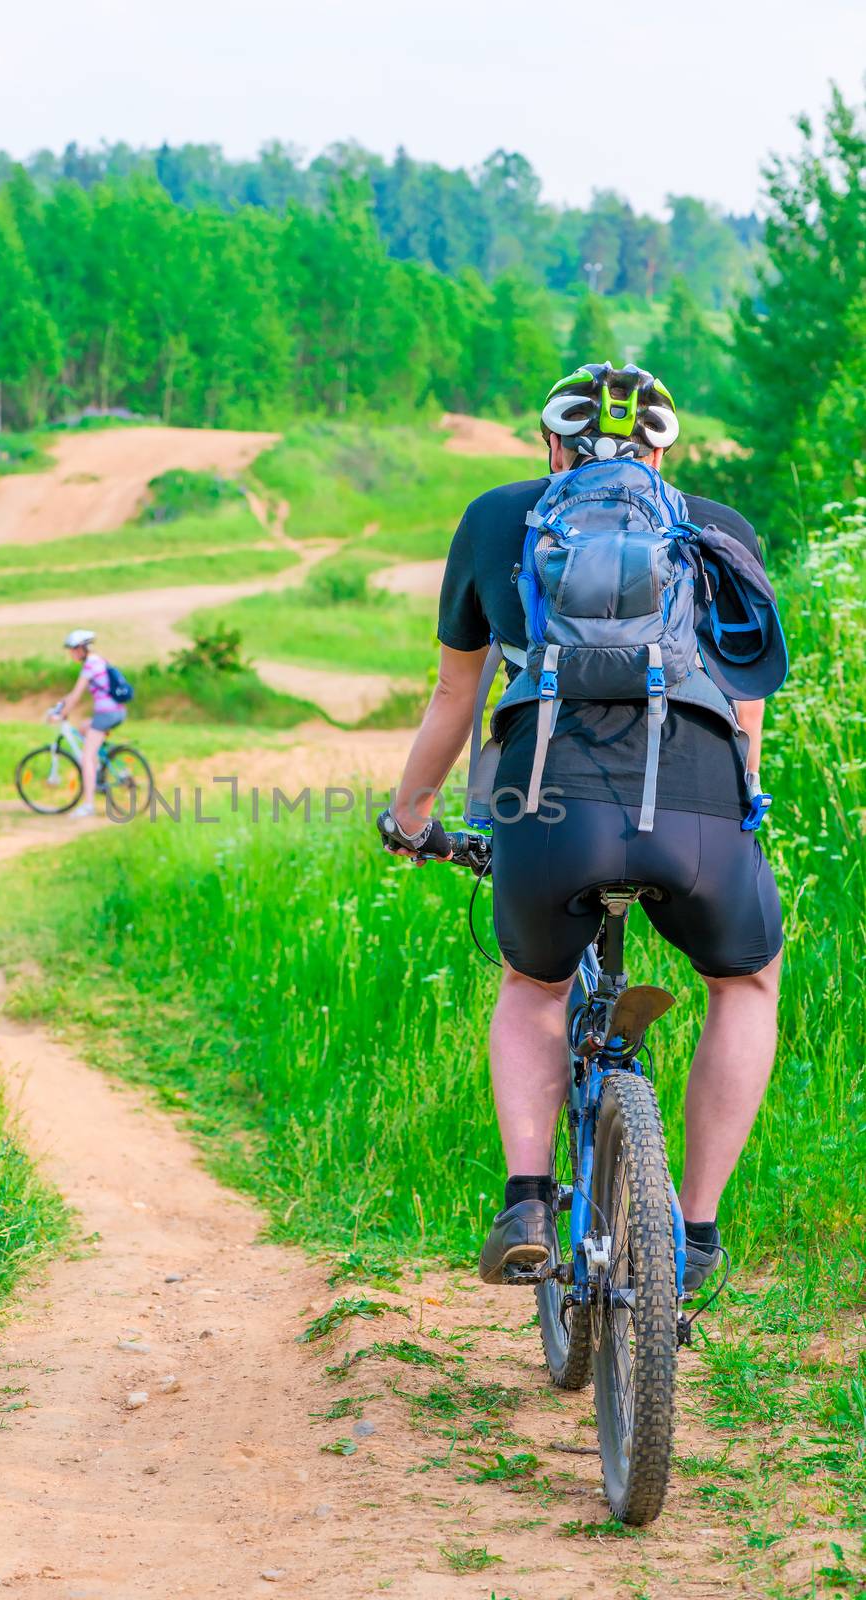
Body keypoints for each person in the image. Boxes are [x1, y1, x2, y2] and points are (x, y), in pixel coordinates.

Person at [379, 363, 783, 1294]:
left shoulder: (498, 518)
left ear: (553, 447)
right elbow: (747, 701)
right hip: (694, 806)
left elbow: (454, 694)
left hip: (545, 803)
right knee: (746, 982)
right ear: (659, 450)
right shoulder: (718, 529)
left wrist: (413, 818)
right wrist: (741, 801)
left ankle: (525, 1201)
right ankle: (698, 1230)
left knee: (533, 983)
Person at [52, 628, 127, 818]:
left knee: (86, 757)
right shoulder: (99, 660)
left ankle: (88, 805)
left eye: (73, 649)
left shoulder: (89, 666)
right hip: (117, 711)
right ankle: (106, 762)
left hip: (106, 714)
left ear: (82, 649)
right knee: (84, 728)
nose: (71, 653)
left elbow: (77, 695)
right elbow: (72, 696)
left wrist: (62, 714)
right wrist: (62, 704)